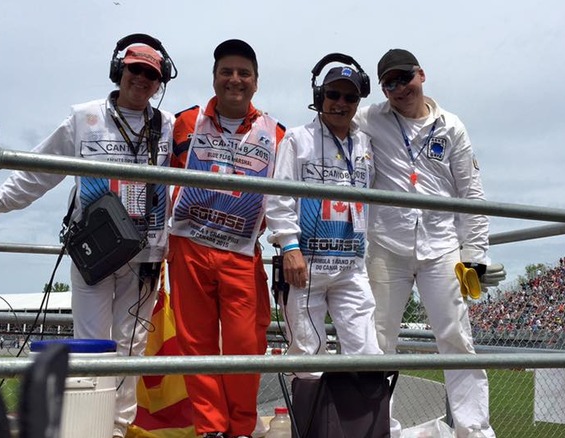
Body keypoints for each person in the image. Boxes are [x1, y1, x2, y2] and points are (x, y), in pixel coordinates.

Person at [0, 35, 175, 438]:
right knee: (90, 344)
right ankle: (90, 427)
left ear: (160, 82)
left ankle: (117, 428)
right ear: (119, 71)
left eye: (151, 75)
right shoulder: (84, 118)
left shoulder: (168, 125)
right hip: (95, 252)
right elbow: (40, 170)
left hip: (147, 256)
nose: (141, 79)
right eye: (135, 69)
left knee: (131, 346)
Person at [355, 48, 496, 438]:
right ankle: (381, 428)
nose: (399, 89)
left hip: (442, 249)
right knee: (379, 339)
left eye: (405, 78)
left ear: (422, 74)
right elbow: (332, 113)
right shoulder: (370, 119)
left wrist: (476, 257)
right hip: (386, 246)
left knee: (455, 337)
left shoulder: (452, 126)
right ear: (382, 89)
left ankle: (474, 428)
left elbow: (471, 194)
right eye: (389, 83)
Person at [166, 39, 285, 438]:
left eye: (243, 73)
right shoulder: (183, 121)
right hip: (189, 246)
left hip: (241, 250)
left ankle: (241, 429)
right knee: (194, 342)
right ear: (214, 77)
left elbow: (287, 195)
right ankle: (210, 429)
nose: (235, 79)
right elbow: (155, 178)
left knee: (246, 343)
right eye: (226, 71)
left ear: (256, 81)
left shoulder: (277, 132)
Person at [265, 64, 382, 367]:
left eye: (350, 98)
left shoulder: (366, 143)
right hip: (304, 268)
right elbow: (279, 198)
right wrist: (289, 247)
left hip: (351, 268)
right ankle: (310, 416)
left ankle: (355, 416)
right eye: (333, 94)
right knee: (307, 356)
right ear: (319, 96)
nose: (341, 103)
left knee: (367, 355)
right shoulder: (297, 139)